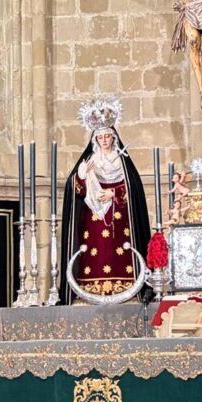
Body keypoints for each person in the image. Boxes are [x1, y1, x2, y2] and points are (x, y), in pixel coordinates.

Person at [60, 97, 152, 303]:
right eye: (100, 137)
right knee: (96, 251)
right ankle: (90, 288)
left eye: (107, 136)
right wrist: (81, 176)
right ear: (95, 139)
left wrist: (114, 194)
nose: (104, 140)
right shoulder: (90, 161)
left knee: (119, 249)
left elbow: (133, 190)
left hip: (119, 218)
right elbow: (77, 190)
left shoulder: (121, 161)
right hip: (94, 217)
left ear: (113, 138)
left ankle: (127, 288)